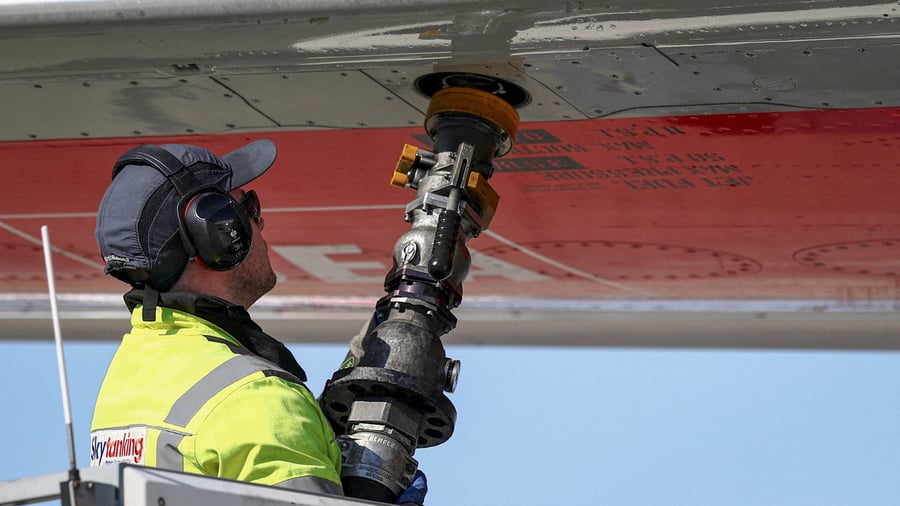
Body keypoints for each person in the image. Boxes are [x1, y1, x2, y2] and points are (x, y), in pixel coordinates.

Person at [89, 139, 426, 504]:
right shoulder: (259, 399)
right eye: (250, 208)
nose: (261, 223)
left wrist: (318, 431)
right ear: (219, 235)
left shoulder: (132, 373)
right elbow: (248, 419)